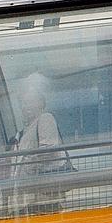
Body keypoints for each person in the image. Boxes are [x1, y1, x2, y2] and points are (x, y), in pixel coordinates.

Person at [10, 78, 67, 215]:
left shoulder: (45, 118)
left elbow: (48, 149)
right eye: (23, 103)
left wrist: (28, 168)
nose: (25, 106)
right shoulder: (24, 131)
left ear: (41, 103)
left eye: (30, 101)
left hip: (42, 197)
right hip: (28, 197)